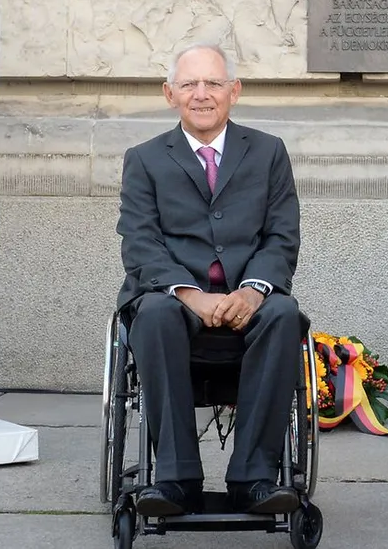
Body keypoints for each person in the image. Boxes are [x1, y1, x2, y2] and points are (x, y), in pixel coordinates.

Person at [116, 43, 302, 516]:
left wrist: (253, 288)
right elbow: (140, 242)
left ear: (234, 91)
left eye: (214, 83)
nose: (202, 94)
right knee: (154, 313)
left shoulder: (268, 152)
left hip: (249, 300)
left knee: (283, 312)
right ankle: (176, 481)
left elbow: (282, 235)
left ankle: (254, 479)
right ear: (169, 93)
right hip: (172, 299)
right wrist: (189, 293)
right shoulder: (144, 159)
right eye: (190, 84)